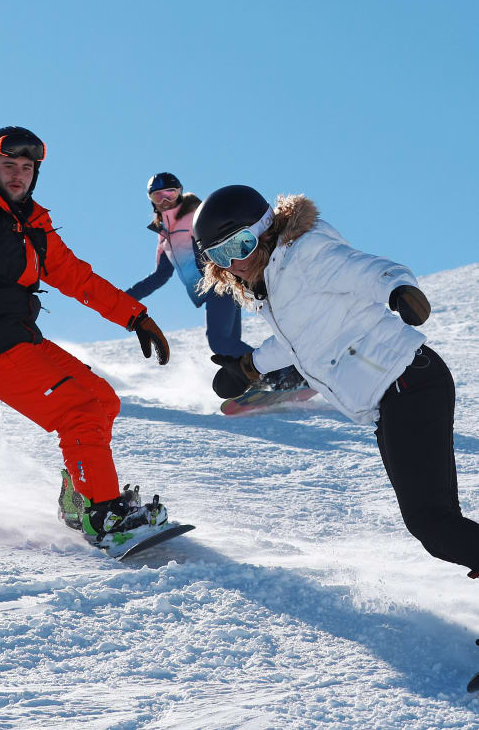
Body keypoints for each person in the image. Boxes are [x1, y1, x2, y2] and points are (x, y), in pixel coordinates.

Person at [194, 184, 479, 576]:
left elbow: (365, 270)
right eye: (219, 255)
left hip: (407, 381)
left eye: (240, 245)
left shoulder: (305, 253)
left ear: (263, 230)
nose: (234, 263)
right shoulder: (273, 282)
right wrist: (249, 366)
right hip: (393, 397)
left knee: (433, 524)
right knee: (435, 522)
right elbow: (298, 340)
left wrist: (399, 289)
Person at [0, 126, 171, 539]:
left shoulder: (31, 224)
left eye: (26, 168)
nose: (17, 175)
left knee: (101, 399)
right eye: (8, 165)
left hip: (19, 338)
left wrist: (135, 317)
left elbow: (76, 277)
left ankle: (80, 500)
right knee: (78, 412)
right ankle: (101, 515)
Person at [125, 172, 301, 389]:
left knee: (219, 342)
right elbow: (161, 275)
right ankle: (262, 380)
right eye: (158, 196)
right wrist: (124, 298)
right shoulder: (164, 236)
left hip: (220, 285)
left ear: (180, 193)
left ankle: (281, 376)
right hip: (212, 291)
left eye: (170, 194)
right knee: (229, 344)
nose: (165, 201)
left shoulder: (193, 219)